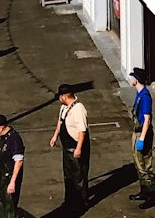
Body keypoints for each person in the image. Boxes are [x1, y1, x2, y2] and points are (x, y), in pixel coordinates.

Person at [50, 83, 90, 214]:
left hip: (76, 147)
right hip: (67, 148)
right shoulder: (64, 107)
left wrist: (78, 149)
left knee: (79, 177)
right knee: (68, 176)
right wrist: (55, 135)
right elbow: (60, 121)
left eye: (60, 96)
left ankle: (81, 203)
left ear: (65, 96)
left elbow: (82, 131)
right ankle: (70, 200)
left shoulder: (78, 109)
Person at [128, 68, 155, 209]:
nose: (131, 79)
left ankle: (152, 195)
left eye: (133, 77)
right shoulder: (139, 93)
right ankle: (144, 191)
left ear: (137, 80)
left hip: (142, 133)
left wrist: (142, 139)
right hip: (137, 132)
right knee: (138, 164)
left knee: (145, 165)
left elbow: (147, 119)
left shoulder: (145, 97)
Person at [0, 113, 25, 217]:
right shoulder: (4, 138)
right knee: (0, 204)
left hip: (9, 178)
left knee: (9, 207)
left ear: (1, 127)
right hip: (2, 179)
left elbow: (19, 161)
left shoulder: (14, 139)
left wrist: (12, 182)